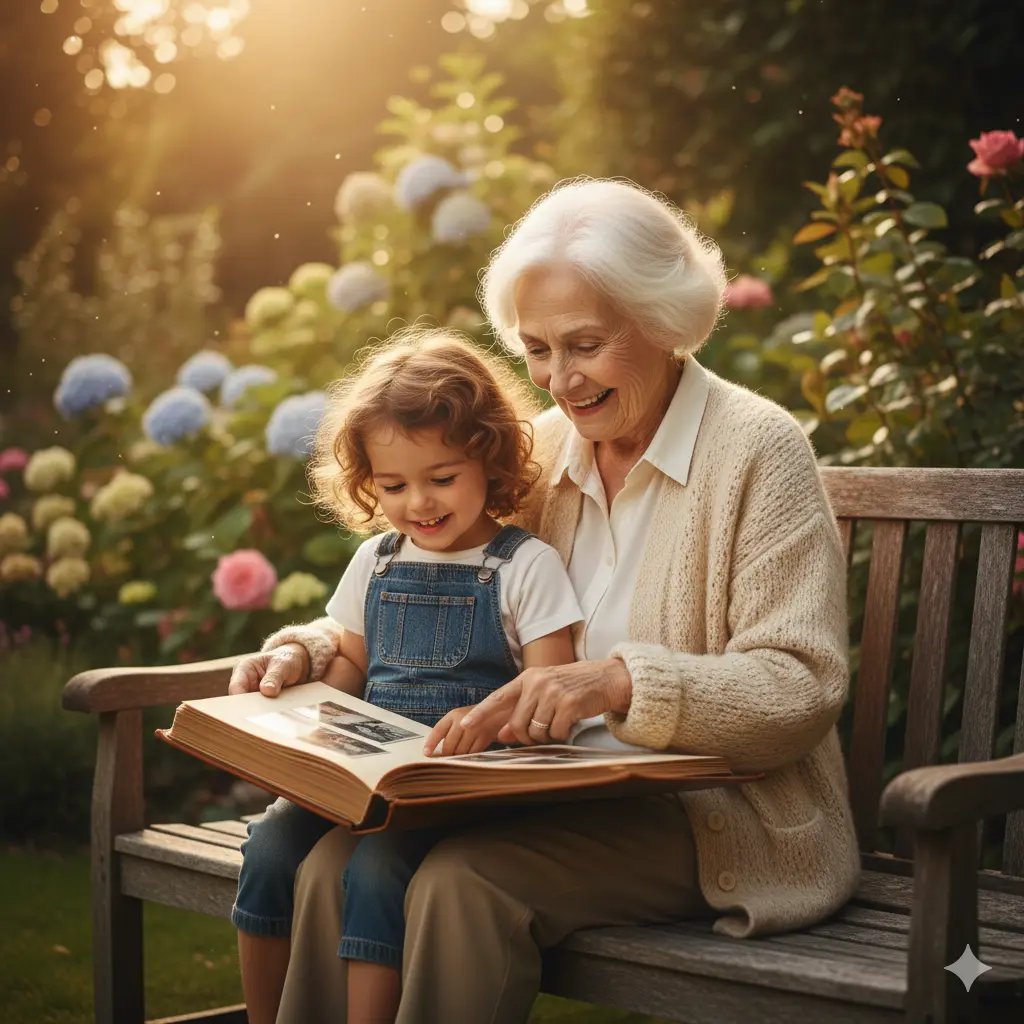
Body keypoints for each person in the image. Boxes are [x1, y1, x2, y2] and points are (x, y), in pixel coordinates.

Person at [232, 177, 862, 1024]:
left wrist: (614, 684)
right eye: (536, 350)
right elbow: (429, 563)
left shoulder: (758, 452)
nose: (559, 380)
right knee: (324, 864)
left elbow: (800, 685)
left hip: (709, 815)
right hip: (528, 792)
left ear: (662, 320)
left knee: (462, 884)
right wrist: (306, 650)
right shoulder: (544, 452)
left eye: (584, 345)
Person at [227, 331, 584, 1024]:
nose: (418, 502)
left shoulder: (525, 567)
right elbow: (352, 670)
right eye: (393, 486)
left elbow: (548, 696)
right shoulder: (376, 562)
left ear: (490, 457)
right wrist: (297, 737)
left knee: (376, 865)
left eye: (441, 478)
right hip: (368, 777)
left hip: (461, 785)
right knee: (269, 845)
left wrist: (493, 735)